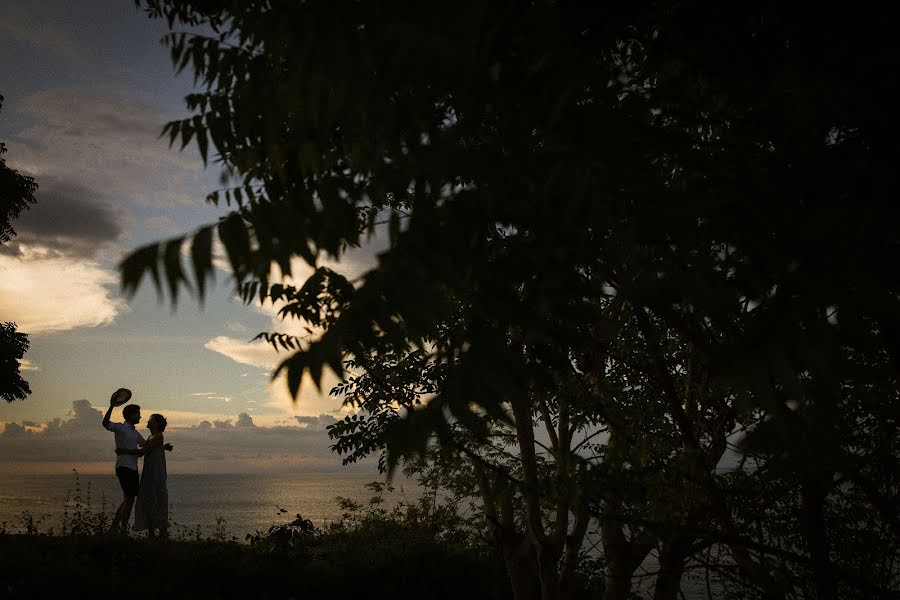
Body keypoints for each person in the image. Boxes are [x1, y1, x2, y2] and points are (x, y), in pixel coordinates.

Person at [102, 392, 171, 533]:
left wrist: (163, 446)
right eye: (138, 414)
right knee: (129, 499)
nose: (140, 416)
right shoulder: (120, 428)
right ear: (131, 415)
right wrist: (111, 407)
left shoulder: (135, 433)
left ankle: (115, 528)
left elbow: (147, 447)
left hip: (133, 469)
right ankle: (119, 530)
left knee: (129, 499)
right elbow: (105, 423)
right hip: (124, 467)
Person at [130, 413, 170, 539]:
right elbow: (149, 448)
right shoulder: (152, 437)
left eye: (151, 420)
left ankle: (162, 533)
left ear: (157, 424)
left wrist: (123, 451)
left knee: (157, 498)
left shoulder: (158, 436)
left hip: (155, 474)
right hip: (149, 473)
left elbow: (143, 451)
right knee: (149, 499)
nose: (148, 421)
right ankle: (152, 533)